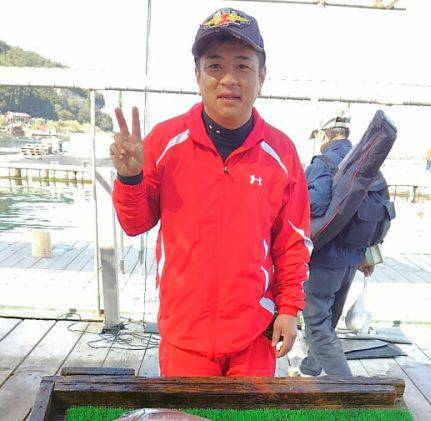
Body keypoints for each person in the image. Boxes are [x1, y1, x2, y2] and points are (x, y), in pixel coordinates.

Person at [110, 8, 311, 378]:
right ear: (198, 76)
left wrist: (289, 309)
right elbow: (135, 224)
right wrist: (130, 177)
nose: (229, 79)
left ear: (261, 76)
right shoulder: (165, 141)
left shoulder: (281, 153)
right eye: (215, 66)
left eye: (243, 66)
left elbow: (293, 242)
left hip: (254, 337)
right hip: (184, 338)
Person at [300, 112, 370, 379]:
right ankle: (310, 369)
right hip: (351, 260)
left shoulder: (324, 162)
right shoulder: (362, 161)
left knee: (317, 326)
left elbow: (315, 204)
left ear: (325, 135)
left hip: (325, 260)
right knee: (329, 322)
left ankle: (349, 389)